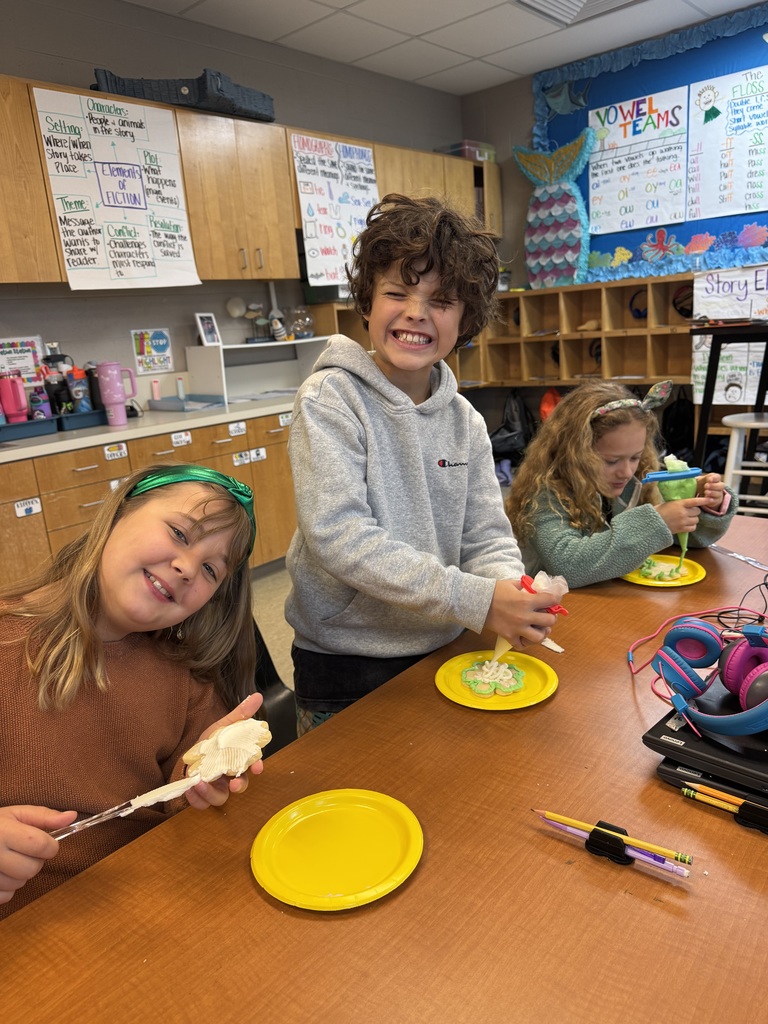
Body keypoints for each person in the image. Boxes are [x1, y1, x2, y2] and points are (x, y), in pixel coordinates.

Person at [285, 193, 558, 734]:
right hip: (345, 661)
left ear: (467, 320)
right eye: (396, 292)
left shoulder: (465, 420)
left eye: (442, 300)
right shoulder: (330, 398)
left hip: (442, 640)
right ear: (367, 303)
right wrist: (474, 598)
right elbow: (339, 536)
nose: (416, 312)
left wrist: (510, 590)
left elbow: (485, 534)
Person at [0, 463, 264, 918]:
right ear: (118, 513)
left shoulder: (182, 676)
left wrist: (199, 784)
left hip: (147, 906)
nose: (185, 568)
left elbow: (181, 795)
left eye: (210, 570)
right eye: (180, 534)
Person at [506, 379, 738, 589]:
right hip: (552, 609)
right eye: (611, 461)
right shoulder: (543, 493)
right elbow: (566, 566)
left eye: (635, 457)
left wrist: (704, 502)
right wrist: (656, 522)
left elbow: (684, 538)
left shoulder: (640, 477)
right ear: (574, 453)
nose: (626, 472)